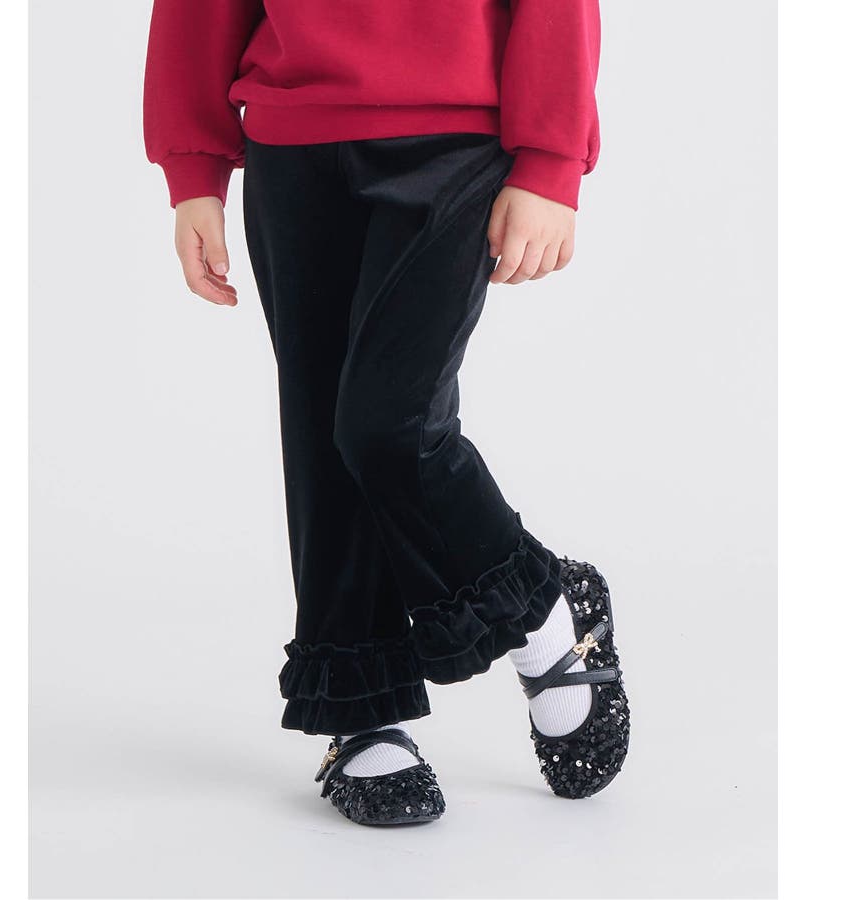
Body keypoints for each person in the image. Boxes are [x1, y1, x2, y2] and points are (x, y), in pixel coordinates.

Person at [143, 0, 628, 826]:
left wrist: (551, 157)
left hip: (455, 136)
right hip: (292, 138)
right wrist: (194, 168)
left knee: (388, 424)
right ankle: (361, 712)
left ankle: (542, 607)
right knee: (321, 430)